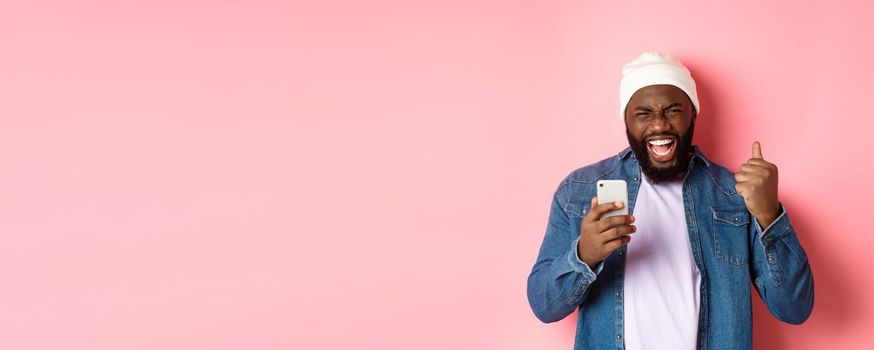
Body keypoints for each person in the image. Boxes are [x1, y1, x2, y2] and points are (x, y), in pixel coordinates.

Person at [526, 52, 814, 349]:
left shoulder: (735, 193)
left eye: (673, 110)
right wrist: (583, 255)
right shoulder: (579, 192)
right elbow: (544, 306)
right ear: (626, 119)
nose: (659, 125)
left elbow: (794, 308)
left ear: (693, 114)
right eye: (643, 113)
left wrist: (769, 215)